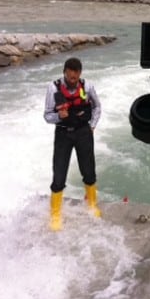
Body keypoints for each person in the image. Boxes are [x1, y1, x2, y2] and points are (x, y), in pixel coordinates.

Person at [44, 57, 102, 231]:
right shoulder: (53, 88)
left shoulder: (88, 86)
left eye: (75, 78)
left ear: (79, 74)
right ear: (64, 73)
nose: (72, 81)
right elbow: (47, 115)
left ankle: (92, 205)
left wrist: (92, 126)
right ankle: (55, 214)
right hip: (63, 133)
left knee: (89, 170)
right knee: (59, 173)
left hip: (84, 132)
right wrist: (57, 117)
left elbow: (97, 107)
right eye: (69, 78)